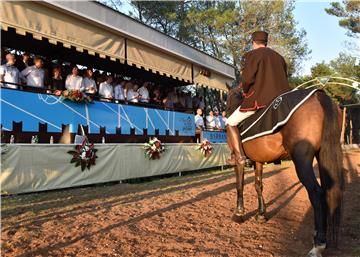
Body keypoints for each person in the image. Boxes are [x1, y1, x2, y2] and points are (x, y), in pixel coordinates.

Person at [225, 31, 291, 166]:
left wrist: (246, 92)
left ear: (254, 42)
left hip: (260, 100)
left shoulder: (252, 55)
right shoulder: (279, 57)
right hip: (283, 100)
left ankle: (239, 157)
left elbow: (247, 79)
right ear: (265, 42)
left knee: (230, 122)